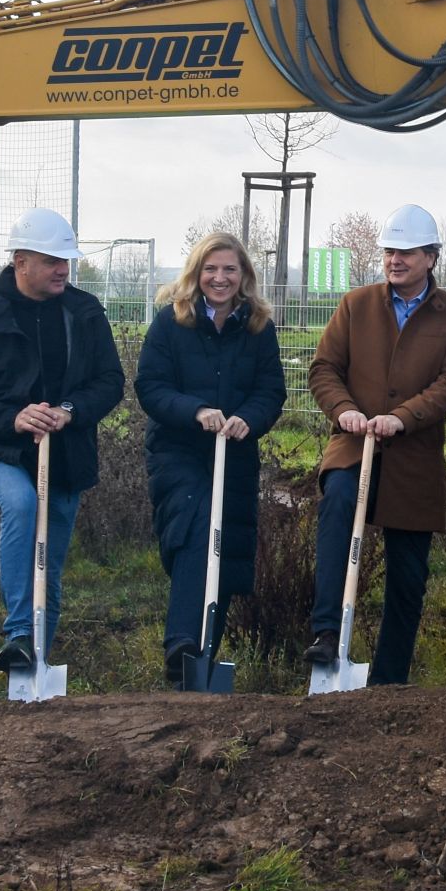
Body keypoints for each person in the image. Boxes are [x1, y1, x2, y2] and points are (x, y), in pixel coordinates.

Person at [0, 208, 125, 675]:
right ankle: (18, 633)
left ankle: (37, 656)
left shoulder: (84, 314)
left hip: (67, 453)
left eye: (67, 260)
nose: (64, 269)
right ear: (21, 262)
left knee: (51, 561)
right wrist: (13, 417)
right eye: (52, 260)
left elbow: (110, 381)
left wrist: (69, 410)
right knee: (21, 504)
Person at [307, 204, 446, 684]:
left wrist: (402, 419)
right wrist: (345, 411)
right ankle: (325, 634)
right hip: (353, 445)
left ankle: (390, 676)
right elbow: (324, 369)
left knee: (408, 571)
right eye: (389, 251)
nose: (395, 259)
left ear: (431, 257)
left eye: (406, 251)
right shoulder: (356, 305)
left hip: (414, 458)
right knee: (337, 507)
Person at [134, 231, 286, 689]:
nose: (219, 278)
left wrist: (247, 419)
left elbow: (270, 391)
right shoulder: (171, 323)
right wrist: (196, 411)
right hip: (178, 449)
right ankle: (182, 644)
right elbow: (151, 387)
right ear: (196, 273)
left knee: (226, 551)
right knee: (199, 526)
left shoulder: (258, 327)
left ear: (244, 277)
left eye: (230, 270)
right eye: (211, 269)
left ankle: (199, 663)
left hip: (234, 455)